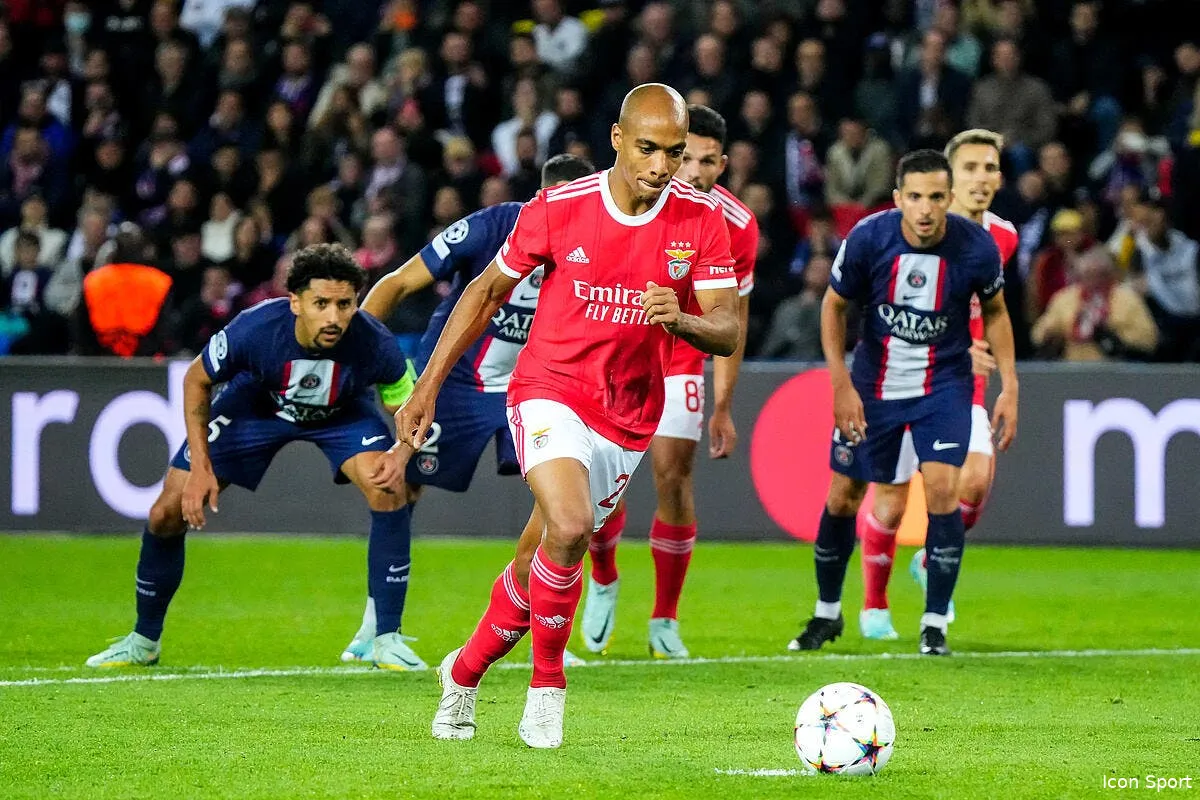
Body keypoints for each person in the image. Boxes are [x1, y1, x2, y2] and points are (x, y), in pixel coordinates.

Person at [398, 84, 740, 748]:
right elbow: (485, 291)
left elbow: (728, 328)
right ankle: (547, 688)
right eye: (648, 148)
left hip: (629, 414)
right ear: (617, 139)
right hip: (549, 389)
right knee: (574, 524)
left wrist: (684, 320)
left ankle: (462, 674)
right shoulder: (560, 206)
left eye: (674, 152)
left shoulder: (700, 219)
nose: (661, 166)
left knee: (540, 558)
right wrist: (427, 386)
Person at [86, 245, 421, 670]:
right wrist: (201, 467)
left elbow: (408, 403)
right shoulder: (256, 328)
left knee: (388, 486)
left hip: (342, 412)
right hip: (256, 408)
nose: (334, 317)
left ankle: (385, 639)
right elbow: (196, 380)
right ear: (295, 302)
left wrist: (401, 453)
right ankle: (143, 641)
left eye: (344, 304)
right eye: (321, 304)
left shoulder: (374, 340)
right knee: (165, 513)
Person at [337, 153, 597, 665]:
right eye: (561, 202)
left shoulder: (600, 243)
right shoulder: (494, 226)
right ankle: (376, 626)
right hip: (456, 381)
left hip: (536, 384)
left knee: (559, 502)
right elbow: (398, 283)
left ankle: (547, 631)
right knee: (401, 486)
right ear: (541, 198)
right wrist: (353, 359)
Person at [789, 149, 1018, 658]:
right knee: (844, 496)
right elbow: (834, 305)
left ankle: (934, 624)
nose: (926, 209)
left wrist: (1011, 385)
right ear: (898, 199)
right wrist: (840, 383)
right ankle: (827, 612)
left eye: (936, 197)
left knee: (943, 490)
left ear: (949, 198)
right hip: (875, 386)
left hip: (943, 386)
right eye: (915, 197)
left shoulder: (976, 247)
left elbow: (997, 312)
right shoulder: (869, 238)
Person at [576, 104, 757, 659]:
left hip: (682, 358)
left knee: (673, 478)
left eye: (706, 160)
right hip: (621, 353)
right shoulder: (629, 196)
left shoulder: (737, 224)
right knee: (602, 484)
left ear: (722, 164)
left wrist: (723, 403)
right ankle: (603, 575)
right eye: (685, 157)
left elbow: (734, 318)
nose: (693, 171)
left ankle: (664, 618)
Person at [856, 129, 1020, 641]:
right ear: (949, 180)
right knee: (891, 501)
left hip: (958, 383)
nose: (981, 179)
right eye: (970, 168)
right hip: (902, 374)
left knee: (974, 482)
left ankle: (930, 559)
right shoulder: (906, 231)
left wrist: (1006, 379)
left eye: (990, 168)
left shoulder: (1003, 237)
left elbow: (992, 309)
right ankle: (874, 606)